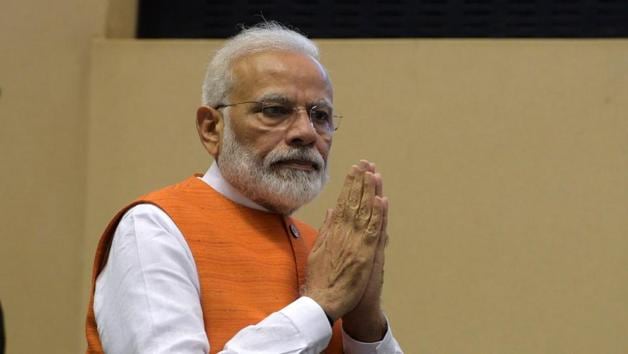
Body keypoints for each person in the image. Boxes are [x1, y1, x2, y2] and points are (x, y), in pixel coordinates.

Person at [85, 22, 403, 354]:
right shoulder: (154, 228)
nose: (306, 133)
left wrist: (365, 321)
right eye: (275, 111)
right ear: (212, 128)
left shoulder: (323, 250)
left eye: (320, 115)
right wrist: (319, 306)